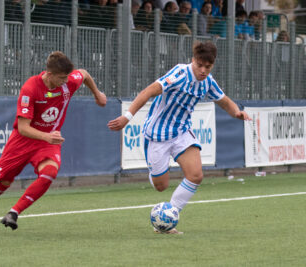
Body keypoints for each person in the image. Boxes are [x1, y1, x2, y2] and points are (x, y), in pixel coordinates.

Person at [107, 41, 251, 234]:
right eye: (199, 65)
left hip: (182, 132)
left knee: (196, 175)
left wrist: (237, 113)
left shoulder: (208, 82)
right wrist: (127, 117)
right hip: (157, 134)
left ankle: (169, 217)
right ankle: (156, 173)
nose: (202, 70)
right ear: (193, 60)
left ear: (212, 65)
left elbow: (223, 101)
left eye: (207, 67)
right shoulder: (179, 74)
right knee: (161, 186)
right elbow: (148, 91)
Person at [0, 51, 107, 232]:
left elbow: (84, 74)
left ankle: (14, 213)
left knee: (49, 172)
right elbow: (23, 128)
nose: (66, 81)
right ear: (49, 74)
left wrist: (97, 94)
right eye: (62, 78)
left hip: (47, 142)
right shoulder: (30, 88)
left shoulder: (69, 82)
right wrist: (47, 136)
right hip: (23, 141)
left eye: (67, 77)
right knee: (2, 184)